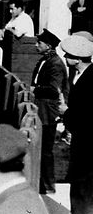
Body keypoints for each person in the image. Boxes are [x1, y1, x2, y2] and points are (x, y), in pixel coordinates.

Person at [60, 33, 93, 214]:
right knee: (79, 186)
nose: (65, 57)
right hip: (83, 137)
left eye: (68, 55)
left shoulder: (90, 78)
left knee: (84, 188)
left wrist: (66, 112)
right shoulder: (81, 74)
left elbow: (87, 113)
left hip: (89, 141)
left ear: (78, 58)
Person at [31, 29, 68, 194]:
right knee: (39, 147)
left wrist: (35, 90)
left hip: (48, 112)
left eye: (39, 42)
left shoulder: (56, 64)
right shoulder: (43, 61)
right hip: (41, 109)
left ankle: (47, 185)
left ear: (49, 45)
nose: (36, 45)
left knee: (45, 150)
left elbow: (54, 90)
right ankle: (40, 183)